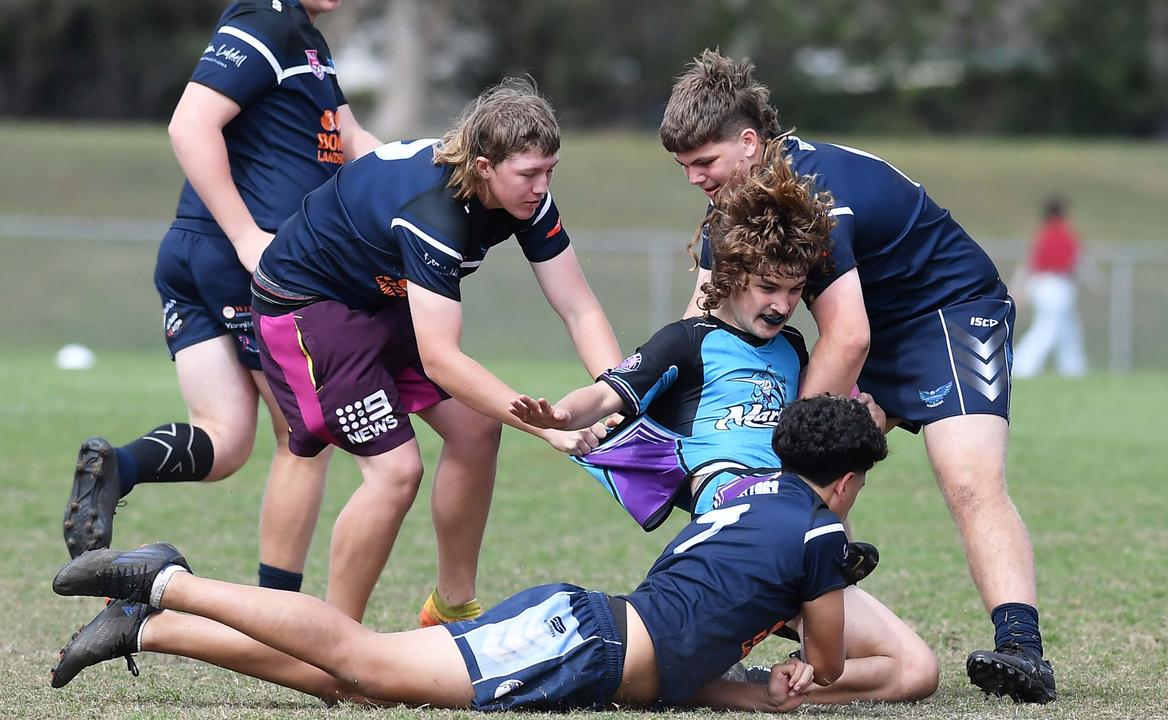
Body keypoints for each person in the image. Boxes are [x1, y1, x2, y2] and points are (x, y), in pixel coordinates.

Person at [51, 395, 883, 713]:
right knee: (363, 660)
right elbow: (833, 661)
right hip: (581, 643)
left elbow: (684, 654)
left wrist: (752, 694)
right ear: (844, 482)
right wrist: (808, 658)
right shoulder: (817, 534)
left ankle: (145, 627)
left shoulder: (747, 499)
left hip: (589, 636)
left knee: (359, 681)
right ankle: (166, 580)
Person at [658, 50, 1056, 703]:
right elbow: (700, 322)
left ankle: (1020, 650)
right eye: (684, 167)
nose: (695, 178)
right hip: (870, 330)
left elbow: (847, 336)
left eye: (704, 162)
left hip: (947, 316)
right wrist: (653, 408)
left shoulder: (817, 194)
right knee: (809, 497)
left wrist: (785, 445)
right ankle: (775, 637)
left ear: (749, 142)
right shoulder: (735, 207)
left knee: (966, 479)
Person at [510, 145, 938, 704]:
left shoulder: (791, 347)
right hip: (737, 542)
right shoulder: (689, 341)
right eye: (768, 287)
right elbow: (607, 391)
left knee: (915, 671)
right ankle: (715, 670)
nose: (784, 305)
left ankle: (746, 687)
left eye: (794, 290)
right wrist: (562, 416)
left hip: (793, 540)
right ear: (732, 274)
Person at [247, 78, 620, 623]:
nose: (542, 187)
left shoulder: (524, 198)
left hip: (378, 296)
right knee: (396, 472)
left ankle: (451, 610)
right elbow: (441, 357)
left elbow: (579, 308)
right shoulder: (435, 213)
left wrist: (621, 390)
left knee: (477, 428)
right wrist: (547, 426)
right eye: (528, 174)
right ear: (484, 165)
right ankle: (335, 647)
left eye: (550, 171)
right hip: (309, 306)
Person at [62, 0, 382, 602]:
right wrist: (246, 239)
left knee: (227, 438)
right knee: (303, 438)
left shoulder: (305, 38)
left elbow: (353, 139)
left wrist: (426, 173)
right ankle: (278, 614)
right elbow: (188, 124)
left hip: (193, 255)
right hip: (245, 261)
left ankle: (118, 468)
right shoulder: (263, 20)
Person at [1012, 197, 1087, 378]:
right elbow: (1075, 263)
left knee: (1068, 329)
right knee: (1046, 329)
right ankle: (1023, 366)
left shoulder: (1043, 234)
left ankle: (1073, 369)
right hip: (1056, 286)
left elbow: (1030, 263)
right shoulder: (1064, 234)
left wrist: (1020, 288)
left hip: (1041, 284)